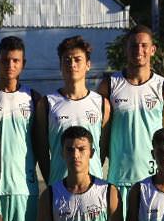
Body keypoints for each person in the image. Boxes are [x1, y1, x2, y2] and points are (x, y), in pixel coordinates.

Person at [100, 25, 164, 203]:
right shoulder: (109, 85)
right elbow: (103, 135)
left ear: (153, 50)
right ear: (126, 49)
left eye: (144, 45)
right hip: (118, 179)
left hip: (153, 181)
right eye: (134, 45)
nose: (139, 50)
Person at [33, 34, 109, 189]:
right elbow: (41, 151)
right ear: (60, 65)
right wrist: (53, 182)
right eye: (67, 60)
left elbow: (102, 149)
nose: (72, 64)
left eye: (77, 59)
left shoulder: (102, 104)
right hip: (59, 187)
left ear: (88, 65)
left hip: (94, 189)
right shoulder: (47, 103)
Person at [0, 36, 43, 221]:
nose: (10, 65)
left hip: (24, 189)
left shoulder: (34, 98)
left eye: (15, 60)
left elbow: (40, 145)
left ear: (23, 63)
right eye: (5, 60)